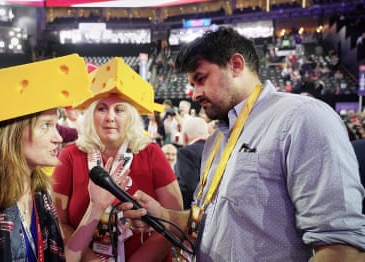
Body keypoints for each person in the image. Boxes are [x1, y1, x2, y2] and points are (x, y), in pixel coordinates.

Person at [120, 26, 365, 261]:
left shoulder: (302, 118)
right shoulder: (217, 137)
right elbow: (208, 223)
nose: (194, 94)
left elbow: (342, 249)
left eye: (201, 79)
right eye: (193, 84)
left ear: (236, 65)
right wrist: (163, 215)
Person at [0, 55, 128, 261]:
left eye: (55, 125)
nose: (58, 137)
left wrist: (97, 206)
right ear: (12, 134)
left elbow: (64, 259)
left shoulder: (39, 192)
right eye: (46, 126)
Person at [52, 57, 183, 261]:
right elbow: (59, 222)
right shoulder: (70, 156)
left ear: (130, 116)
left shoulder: (151, 153)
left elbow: (174, 221)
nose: (110, 117)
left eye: (119, 110)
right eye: (102, 108)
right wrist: (90, 260)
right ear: (90, 114)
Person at [174, 116, 208, 209]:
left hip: (193, 211)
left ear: (185, 136)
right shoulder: (218, 150)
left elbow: (188, 187)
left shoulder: (186, 152)